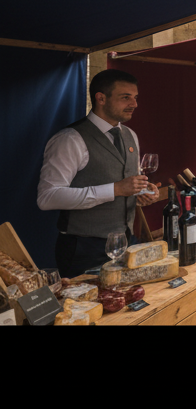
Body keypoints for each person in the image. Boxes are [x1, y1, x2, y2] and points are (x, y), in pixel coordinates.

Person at [38, 69, 160, 277]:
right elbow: (47, 198)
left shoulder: (131, 135)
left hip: (126, 243)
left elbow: (122, 183)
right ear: (101, 98)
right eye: (125, 97)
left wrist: (141, 194)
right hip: (84, 249)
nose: (134, 104)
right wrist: (116, 189)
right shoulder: (70, 139)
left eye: (135, 97)